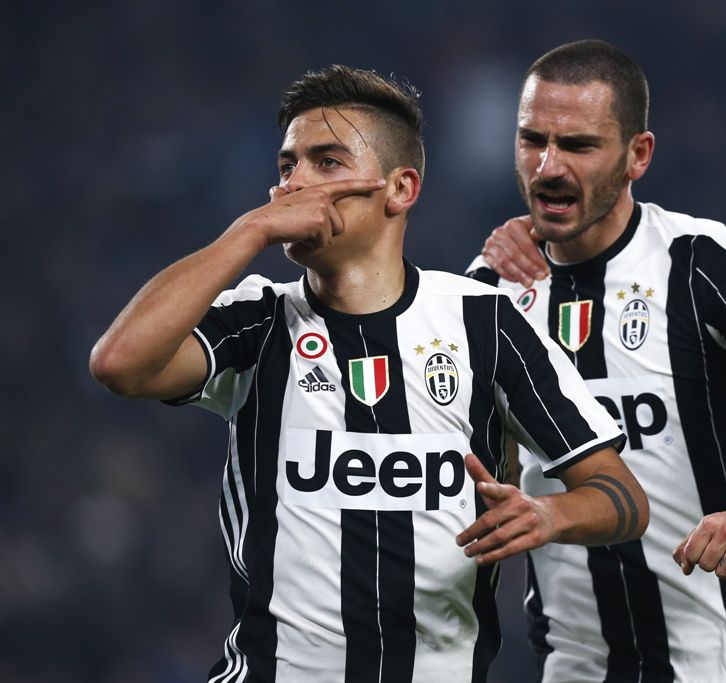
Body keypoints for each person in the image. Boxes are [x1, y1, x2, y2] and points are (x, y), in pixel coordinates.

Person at [89, 64, 649, 683]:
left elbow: (623, 499)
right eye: (286, 166)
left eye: (326, 162)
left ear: (400, 189)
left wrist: (549, 517)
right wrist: (249, 231)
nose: (293, 184)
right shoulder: (258, 319)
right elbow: (120, 364)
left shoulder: (482, 321)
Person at [468, 40, 726, 682]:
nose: (547, 166)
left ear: (638, 155)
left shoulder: (704, 265)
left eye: (578, 145)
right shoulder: (487, 296)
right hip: (575, 666)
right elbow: (491, 478)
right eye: (532, 140)